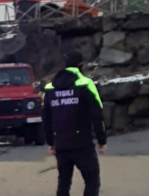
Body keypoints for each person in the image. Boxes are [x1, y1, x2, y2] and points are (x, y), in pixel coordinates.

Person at [42, 51, 107, 196]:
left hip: (61, 144)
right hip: (82, 143)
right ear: (81, 65)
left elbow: (46, 118)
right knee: (92, 180)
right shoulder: (86, 84)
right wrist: (101, 140)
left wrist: (51, 142)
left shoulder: (50, 88)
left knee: (64, 183)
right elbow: (97, 114)